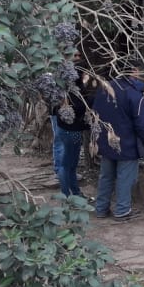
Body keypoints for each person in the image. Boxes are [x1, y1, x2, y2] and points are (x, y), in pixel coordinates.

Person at [92, 58, 144, 221]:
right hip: (127, 143)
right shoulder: (134, 94)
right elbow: (142, 122)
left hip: (106, 140)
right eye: (138, 71)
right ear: (134, 71)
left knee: (106, 176)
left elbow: (95, 113)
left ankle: (101, 209)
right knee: (125, 177)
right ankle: (122, 210)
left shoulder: (104, 89)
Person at [51, 67, 93, 199]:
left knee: (68, 165)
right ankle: (68, 195)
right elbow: (80, 109)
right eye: (84, 74)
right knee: (68, 165)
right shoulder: (75, 93)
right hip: (72, 132)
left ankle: (74, 193)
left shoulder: (62, 90)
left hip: (63, 130)